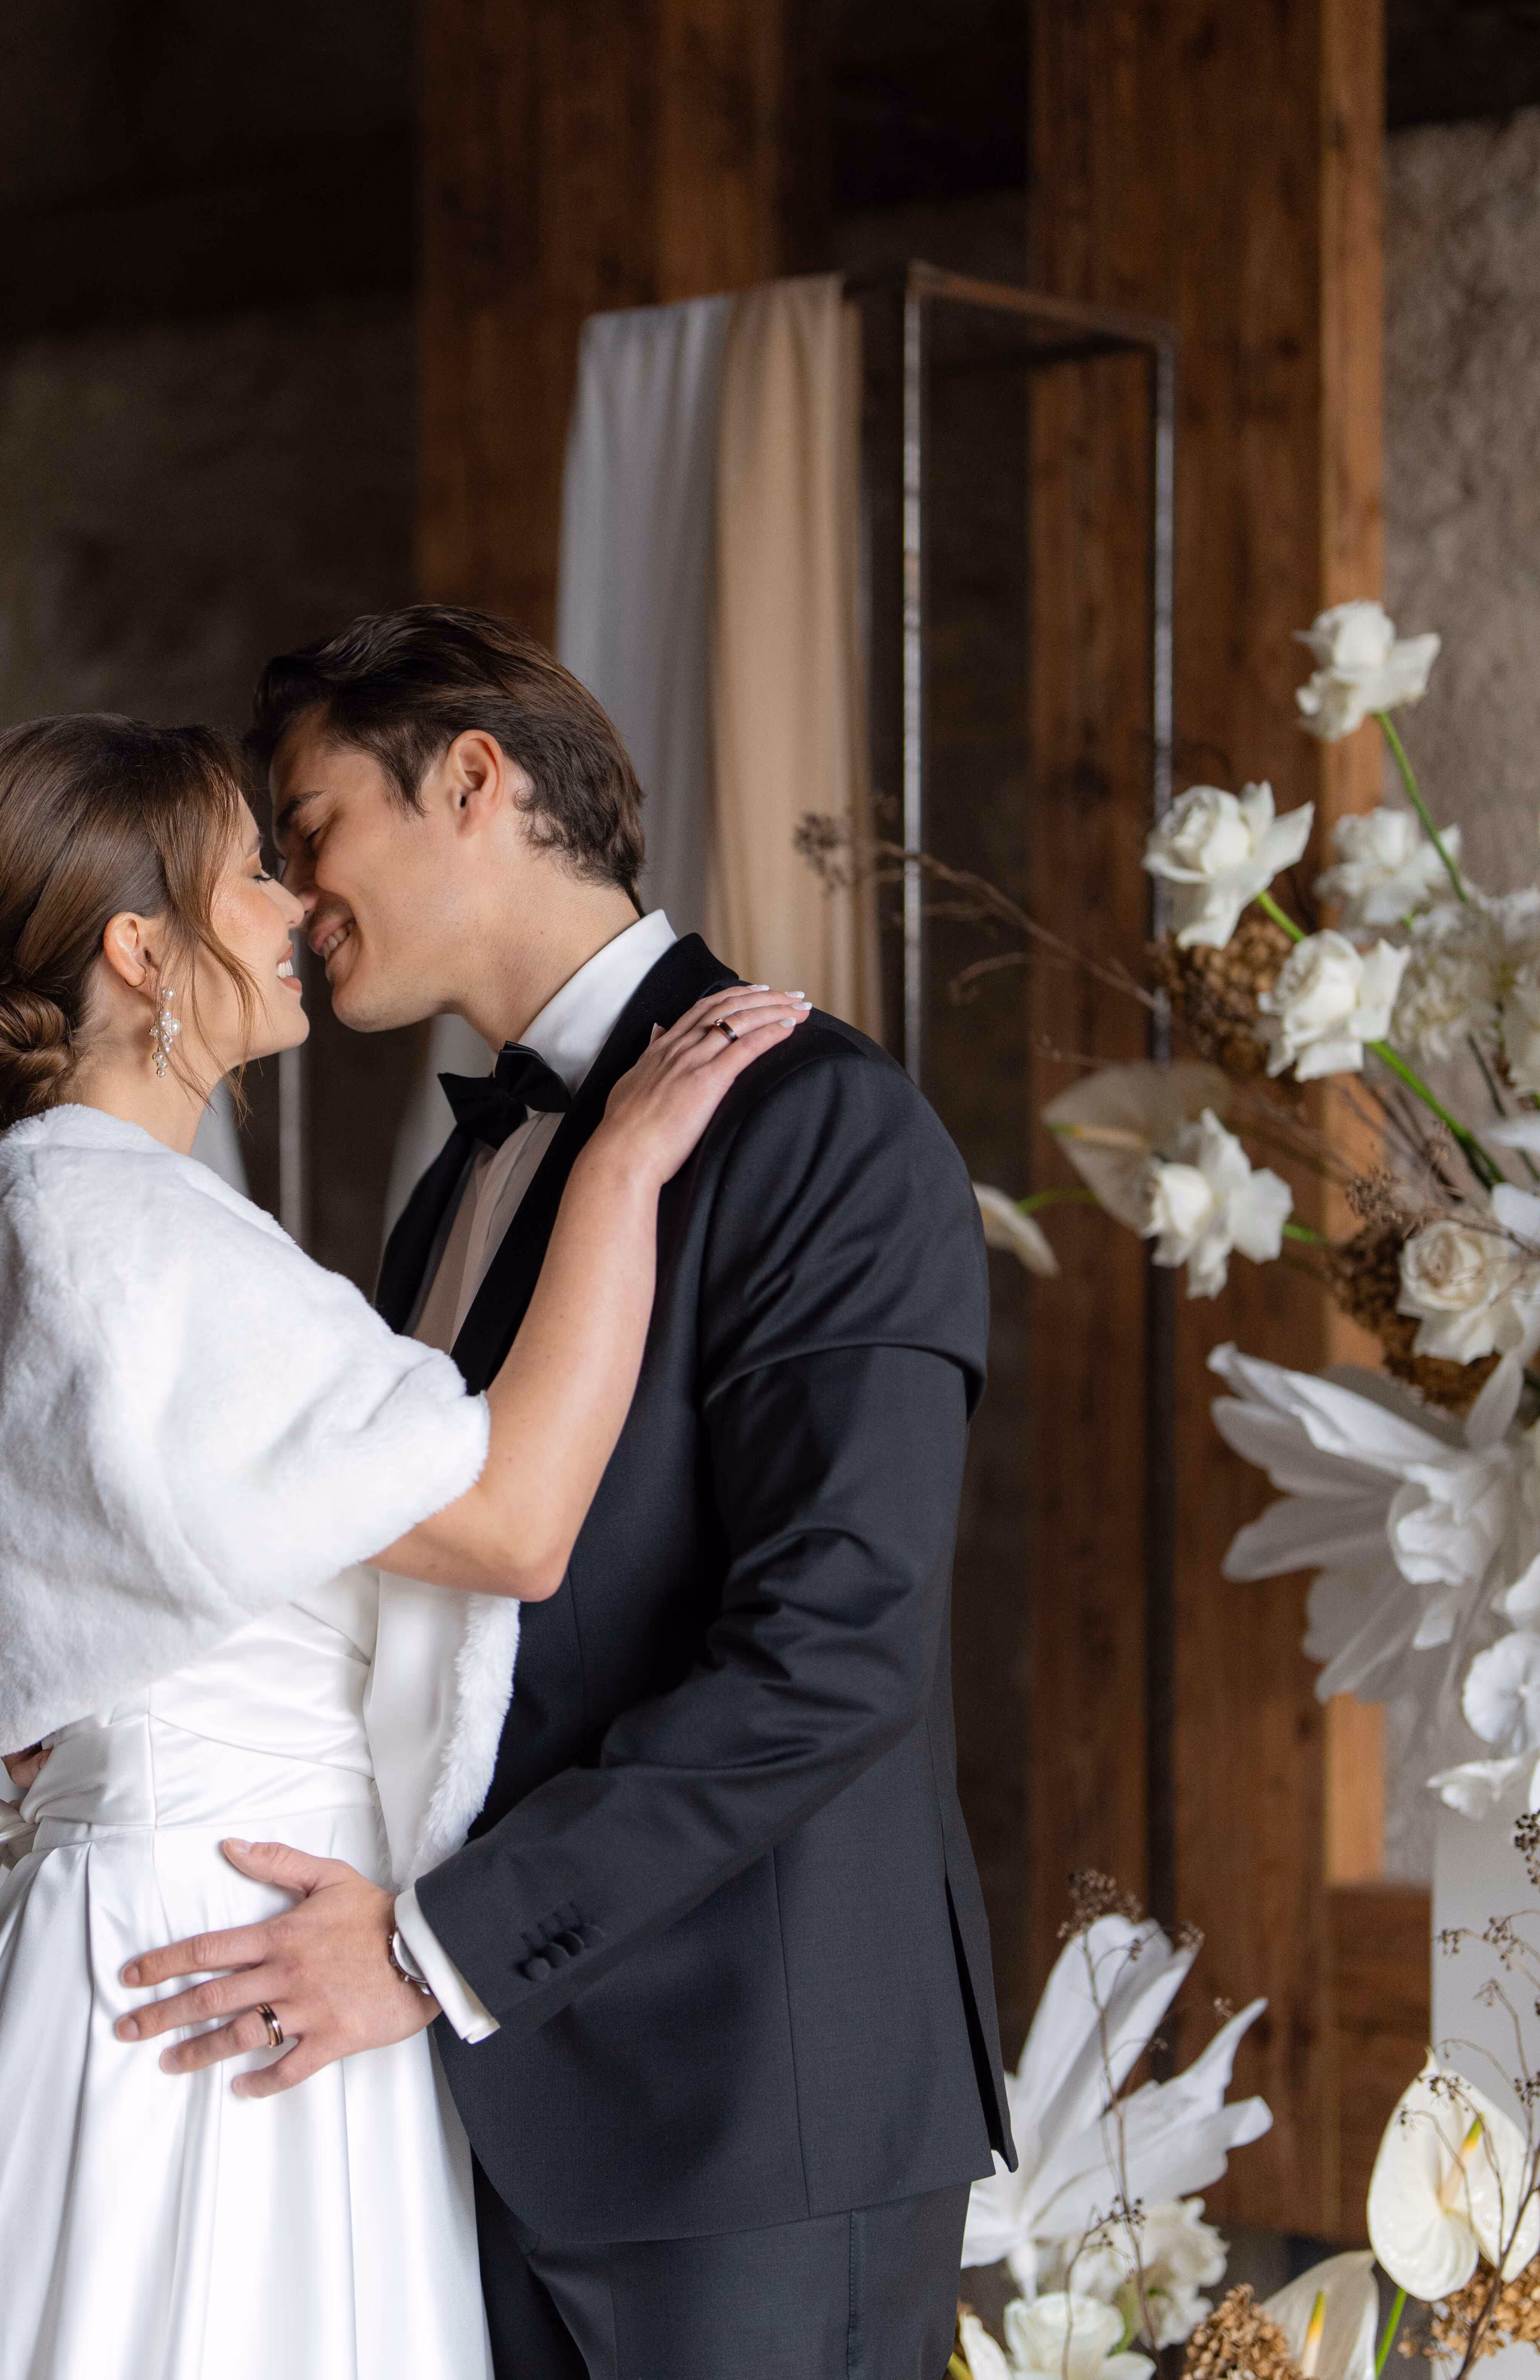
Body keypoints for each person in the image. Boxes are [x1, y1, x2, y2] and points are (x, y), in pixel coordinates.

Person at [0, 709, 805, 2380]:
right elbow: (514, 1525)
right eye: (250, 875)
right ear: (144, 952)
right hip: (229, 1957)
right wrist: (621, 1170)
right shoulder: (128, 1227)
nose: (292, 909)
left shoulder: (62, 1210)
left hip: (203, 1927)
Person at [115, 607, 1012, 2380]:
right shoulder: (462, 1183)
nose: (294, 896)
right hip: (481, 2114)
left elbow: (835, 1651)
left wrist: (433, 1953)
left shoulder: (816, 1125)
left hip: (750, 2129)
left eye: (311, 827)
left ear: (473, 780)